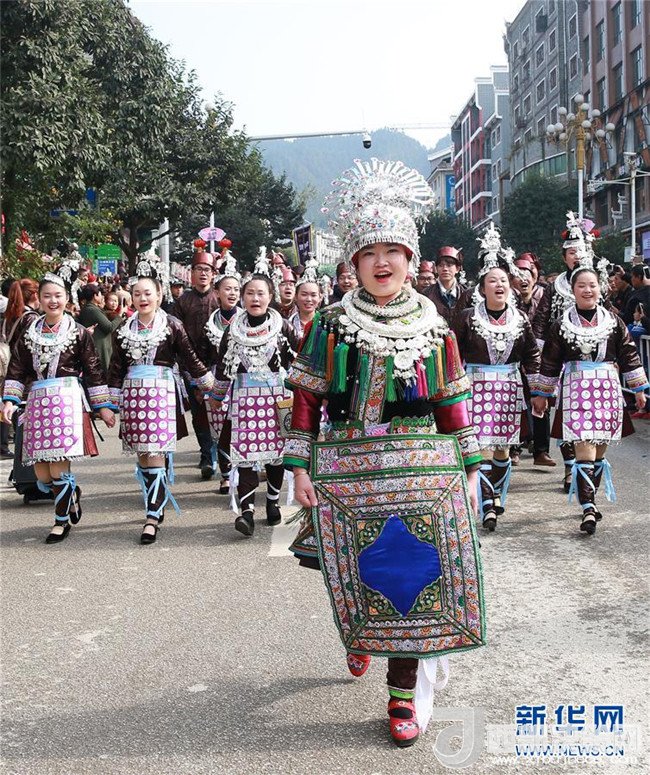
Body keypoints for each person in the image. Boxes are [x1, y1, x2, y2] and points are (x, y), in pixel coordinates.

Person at [284, 159, 484, 748]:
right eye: (369, 252)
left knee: (410, 577)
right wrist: (298, 467)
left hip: (421, 473)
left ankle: (401, 694)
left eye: (392, 250)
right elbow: (307, 397)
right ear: (353, 262)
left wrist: (471, 468)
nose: (381, 262)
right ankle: (359, 634)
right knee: (350, 570)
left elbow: (451, 400)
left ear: (410, 258)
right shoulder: (331, 324)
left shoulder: (435, 325)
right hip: (348, 471)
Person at [531, 267, 648, 535]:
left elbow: (629, 354)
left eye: (592, 285)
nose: (587, 290)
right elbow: (550, 362)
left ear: (600, 288)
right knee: (584, 450)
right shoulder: (561, 325)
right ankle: (588, 508)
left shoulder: (613, 322)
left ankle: (590, 497)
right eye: (581, 285)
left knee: (599, 454)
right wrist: (542, 394)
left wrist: (639, 388)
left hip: (607, 390)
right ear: (572, 291)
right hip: (576, 390)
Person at [1, 268, 115, 543]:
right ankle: (70, 495)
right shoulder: (30, 332)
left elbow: (93, 370)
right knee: (41, 474)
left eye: (58, 296)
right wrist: (9, 400)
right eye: (47, 296)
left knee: (58, 469)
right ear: (39, 299)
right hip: (37, 402)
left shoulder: (78, 332)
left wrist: (103, 406)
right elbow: (17, 367)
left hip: (66, 402)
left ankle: (60, 521)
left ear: (67, 298)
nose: (53, 301)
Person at [107, 262, 214, 544]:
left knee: (154, 452)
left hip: (160, 394)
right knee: (144, 455)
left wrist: (211, 386)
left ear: (159, 295)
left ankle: (151, 517)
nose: (143, 298)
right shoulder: (124, 329)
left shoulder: (171, 325)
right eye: (137, 294)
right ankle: (156, 500)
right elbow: (116, 367)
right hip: (133, 395)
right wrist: (108, 404)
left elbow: (190, 357)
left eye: (148, 293)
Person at [454, 226, 540, 532]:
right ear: (482, 288)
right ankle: (488, 503)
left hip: (508, 390)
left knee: (503, 449)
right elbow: (453, 354)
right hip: (475, 388)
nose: (499, 285)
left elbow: (531, 354)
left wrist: (538, 390)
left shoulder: (520, 319)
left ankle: (495, 496)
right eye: (493, 281)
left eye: (503, 280)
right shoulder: (467, 318)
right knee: (482, 448)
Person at [208, 249, 299, 537]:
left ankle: (272, 502)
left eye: (261, 293)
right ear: (243, 298)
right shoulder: (233, 330)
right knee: (245, 456)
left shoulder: (282, 327)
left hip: (275, 399)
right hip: (244, 400)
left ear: (271, 296)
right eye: (250, 293)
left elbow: (298, 363)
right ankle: (246, 512)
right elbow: (223, 367)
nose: (255, 299)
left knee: (275, 456)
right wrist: (217, 397)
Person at [531, 213, 609, 492]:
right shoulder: (555, 286)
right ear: (564, 257)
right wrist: (539, 357)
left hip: (590, 361)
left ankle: (586, 465)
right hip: (561, 358)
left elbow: (610, 320)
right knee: (566, 415)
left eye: (580, 250)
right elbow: (541, 321)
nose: (576, 256)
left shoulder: (596, 284)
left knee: (594, 416)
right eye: (571, 252)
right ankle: (569, 466)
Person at [171, 249, 220, 479]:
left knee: (219, 411)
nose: (203, 273)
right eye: (199, 269)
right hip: (190, 367)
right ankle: (206, 454)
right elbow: (177, 337)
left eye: (207, 270)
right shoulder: (182, 302)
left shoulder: (219, 299)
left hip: (218, 366)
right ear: (191, 273)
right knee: (199, 412)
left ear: (213, 274)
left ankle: (220, 453)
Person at [511, 253, 555, 467]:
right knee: (514, 403)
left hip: (539, 359)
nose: (524, 279)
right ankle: (514, 448)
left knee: (540, 401)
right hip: (513, 360)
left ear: (535, 276)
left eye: (527, 274)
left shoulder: (545, 296)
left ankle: (541, 450)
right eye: (518, 275)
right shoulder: (506, 299)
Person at [204, 251, 241, 495]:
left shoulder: (246, 320)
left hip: (242, 381)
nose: (232, 293)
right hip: (216, 379)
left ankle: (244, 471)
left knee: (241, 427)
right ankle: (226, 475)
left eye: (236, 289)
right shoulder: (209, 322)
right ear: (217, 292)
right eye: (227, 289)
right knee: (220, 430)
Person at [0, 279, 40, 458]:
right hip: (26, 376)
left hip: (10, 371)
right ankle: (24, 467)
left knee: (16, 419)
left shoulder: (10, 315)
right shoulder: (31, 318)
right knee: (26, 427)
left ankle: (18, 466)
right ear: (35, 295)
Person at [77, 283, 124, 371]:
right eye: (100, 294)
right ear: (95, 296)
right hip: (100, 348)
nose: (102, 297)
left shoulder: (88, 308)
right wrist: (119, 316)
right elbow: (109, 327)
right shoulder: (92, 310)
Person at [423, 246, 471, 324]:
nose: (445, 269)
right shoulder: (426, 294)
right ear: (436, 269)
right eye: (441, 265)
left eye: (449, 265)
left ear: (457, 269)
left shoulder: (467, 294)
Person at [288, 254, 323, 340]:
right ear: (296, 296)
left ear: (320, 297)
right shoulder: (287, 325)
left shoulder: (325, 324)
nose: (309, 299)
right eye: (304, 294)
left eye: (313, 295)